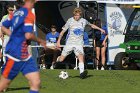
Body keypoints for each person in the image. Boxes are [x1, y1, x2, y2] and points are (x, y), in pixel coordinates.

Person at [0, 0, 47, 93]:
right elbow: (28, 35)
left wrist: (12, 35)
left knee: (35, 82)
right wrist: (41, 41)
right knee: (2, 87)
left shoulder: (16, 13)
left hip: (24, 55)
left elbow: (3, 26)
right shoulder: (28, 14)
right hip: (15, 55)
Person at [56, 7, 106, 79]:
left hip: (79, 44)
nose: (76, 17)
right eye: (75, 15)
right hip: (69, 43)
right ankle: (57, 59)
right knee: (61, 59)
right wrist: (58, 42)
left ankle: (82, 73)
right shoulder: (70, 21)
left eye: (78, 15)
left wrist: (100, 29)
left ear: (80, 15)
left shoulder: (84, 21)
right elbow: (62, 32)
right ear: (73, 15)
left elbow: (91, 25)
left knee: (81, 57)